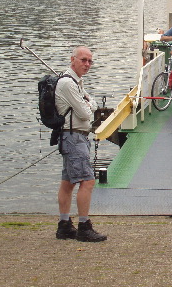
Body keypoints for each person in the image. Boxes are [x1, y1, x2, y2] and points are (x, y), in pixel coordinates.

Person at [54, 46, 107, 242]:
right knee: (88, 181)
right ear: (72, 59)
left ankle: (64, 225)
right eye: (83, 60)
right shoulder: (68, 84)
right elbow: (86, 112)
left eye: (90, 61)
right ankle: (84, 227)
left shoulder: (76, 82)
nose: (87, 64)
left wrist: (88, 104)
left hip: (74, 136)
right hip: (74, 137)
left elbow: (89, 104)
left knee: (67, 183)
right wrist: (89, 105)